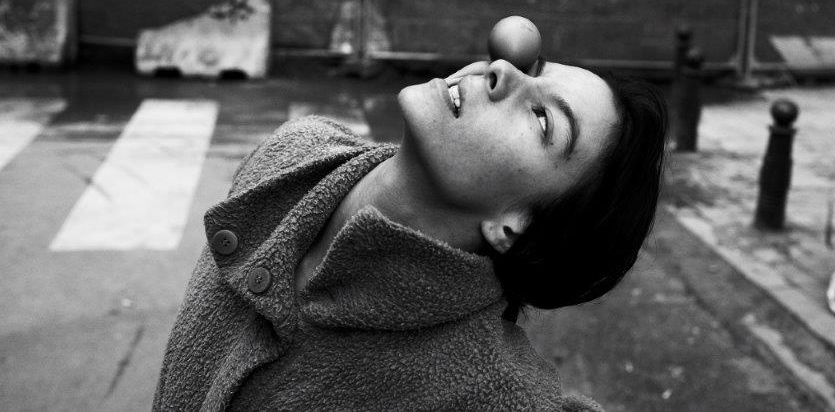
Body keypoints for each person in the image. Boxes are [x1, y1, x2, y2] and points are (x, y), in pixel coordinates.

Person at [153, 55, 667, 411]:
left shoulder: (496, 395)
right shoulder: (293, 152)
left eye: (542, 119)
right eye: (531, 69)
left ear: (516, 228)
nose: (501, 71)